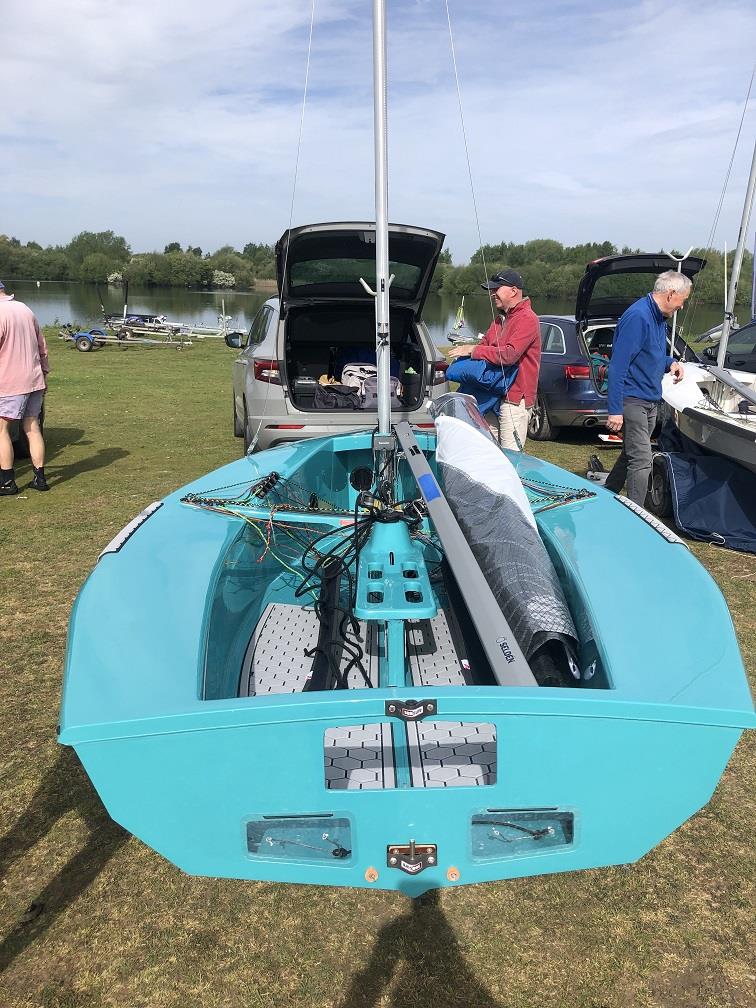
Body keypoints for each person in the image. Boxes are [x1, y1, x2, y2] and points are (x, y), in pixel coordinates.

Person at [603, 270, 691, 505]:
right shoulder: (638, 317)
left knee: (631, 453)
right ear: (672, 294)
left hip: (651, 401)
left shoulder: (658, 319)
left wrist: (670, 362)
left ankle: (608, 492)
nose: (682, 307)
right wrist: (615, 410)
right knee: (642, 459)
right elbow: (618, 366)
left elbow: (651, 357)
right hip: (633, 401)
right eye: (683, 299)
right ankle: (637, 515)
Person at [447, 268, 541, 450]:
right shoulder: (499, 321)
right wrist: (477, 351)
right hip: (491, 397)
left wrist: (473, 350)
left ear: (513, 291)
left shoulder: (528, 319)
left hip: (514, 402)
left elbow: (509, 355)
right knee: (489, 453)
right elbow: (486, 345)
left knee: (512, 460)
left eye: (496, 289)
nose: (492, 294)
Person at [0, 281, 50, 494]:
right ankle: (40, 479)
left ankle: (7, 482)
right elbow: (42, 347)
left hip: (10, 382)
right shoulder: (25, 309)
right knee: (32, 427)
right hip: (34, 379)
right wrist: (44, 374)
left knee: (1, 430)